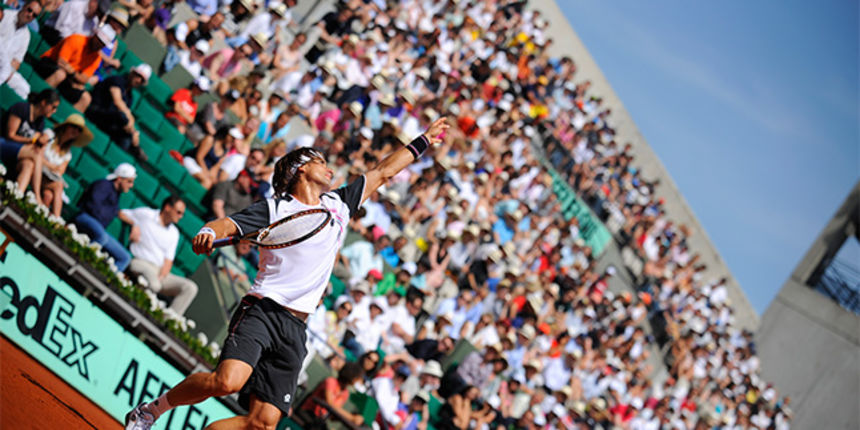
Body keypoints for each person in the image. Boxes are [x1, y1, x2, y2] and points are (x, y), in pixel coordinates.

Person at [123, 117, 449, 430]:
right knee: (226, 381)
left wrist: (423, 140)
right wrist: (209, 231)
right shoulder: (275, 208)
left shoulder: (339, 204)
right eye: (320, 160)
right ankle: (152, 411)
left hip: (296, 327)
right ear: (302, 168)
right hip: (263, 310)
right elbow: (228, 225)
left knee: (262, 424)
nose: (329, 165)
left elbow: (382, 171)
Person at [123, 196, 199, 315]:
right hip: (140, 262)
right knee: (155, 285)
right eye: (178, 212)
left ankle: (167, 320)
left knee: (190, 288)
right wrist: (134, 225)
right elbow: (122, 213)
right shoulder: (146, 214)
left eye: (182, 214)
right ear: (168, 207)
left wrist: (162, 276)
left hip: (159, 272)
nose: (180, 217)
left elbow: (168, 261)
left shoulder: (174, 233)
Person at [35, 24, 116, 112]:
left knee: (86, 98)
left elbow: (84, 79)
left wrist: (73, 74)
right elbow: (61, 62)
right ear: (95, 35)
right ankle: (37, 104)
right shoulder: (76, 39)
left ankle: (65, 123)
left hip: (69, 77)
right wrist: (75, 76)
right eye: (99, 40)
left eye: (103, 44)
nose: (99, 44)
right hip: (49, 64)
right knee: (60, 74)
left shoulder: (96, 58)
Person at [74, 162, 137, 271]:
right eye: (129, 181)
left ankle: (106, 279)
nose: (131, 185)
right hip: (85, 217)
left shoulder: (117, 194)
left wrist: (133, 223)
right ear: (119, 178)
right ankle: (80, 263)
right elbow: (93, 207)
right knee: (101, 237)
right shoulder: (103, 185)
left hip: (99, 227)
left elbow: (114, 211)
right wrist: (110, 213)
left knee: (125, 258)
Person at [0, 88, 59, 200]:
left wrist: (40, 143)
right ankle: (37, 195)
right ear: (44, 102)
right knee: (35, 155)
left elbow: (36, 146)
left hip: (17, 154)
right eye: (53, 107)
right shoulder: (22, 108)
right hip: (4, 143)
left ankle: (13, 199)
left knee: (29, 165)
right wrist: (32, 141)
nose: (55, 111)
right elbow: (10, 135)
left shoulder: (40, 122)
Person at [86, 63, 151, 159]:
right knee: (122, 118)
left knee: (126, 136)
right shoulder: (117, 80)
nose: (138, 80)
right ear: (132, 73)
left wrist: (132, 131)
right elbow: (117, 101)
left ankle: (113, 159)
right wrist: (131, 124)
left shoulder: (130, 96)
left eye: (141, 80)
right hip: (96, 111)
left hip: (110, 121)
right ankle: (136, 148)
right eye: (137, 76)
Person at [39, 114, 93, 216]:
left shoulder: (68, 154)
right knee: (59, 185)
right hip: (36, 171)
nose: (76, 131)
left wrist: (48, 165)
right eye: (74, 127)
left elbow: (60, 171)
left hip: (48, 179)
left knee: (48, 196)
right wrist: (51, 166)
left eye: (79, 130)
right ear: (66, 126)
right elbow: (37, 154)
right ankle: (56, 219)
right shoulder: (49, 135)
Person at [0, 0, 41, 98]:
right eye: (29, 10)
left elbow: (17, 62)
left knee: (24, 89)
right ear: (23, 7)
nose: (30, 15)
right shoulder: (5, 16)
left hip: (5, 69)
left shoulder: (27, 36)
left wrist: (8, 73)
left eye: (34, 15)